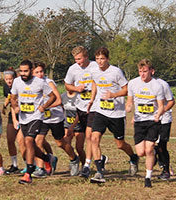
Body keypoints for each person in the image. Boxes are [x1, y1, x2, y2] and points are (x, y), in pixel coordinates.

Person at [86, 48, 138, 183]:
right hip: (101, 111)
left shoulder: (116, 72)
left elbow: (127, 89)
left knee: (120, 144)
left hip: (117, 113)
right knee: (94, 138)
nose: (99, 62)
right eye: (97, 59)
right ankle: (99, 171)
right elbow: (94, 83)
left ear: (107, 59)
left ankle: (133, 157)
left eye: (102, 59)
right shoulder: (94, 71)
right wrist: (92, 100)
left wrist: (113, 95)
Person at [64, 46, 115, 178]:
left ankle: (87, 165)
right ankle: (100, 158)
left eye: (80, 59)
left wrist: (94, 97)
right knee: (83, 141)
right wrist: (76, 88)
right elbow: (67, 85)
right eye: (76, 59)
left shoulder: (94, 66)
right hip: (80, 107)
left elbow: (98, 82)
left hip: (94, 107)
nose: (78, 62)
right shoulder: (72, 69)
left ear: (86, 57)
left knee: (90, 136)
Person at [11, 60, 56, 184]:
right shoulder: (16, 82)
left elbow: (53, 96)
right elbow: (13, 98)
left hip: (36, 117)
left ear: (31, 70)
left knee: (29, 140)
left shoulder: (40, 83)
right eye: (21, 71)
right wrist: (15, 106)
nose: (23, 73)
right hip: (23, 117)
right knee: (29, 144)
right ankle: (47, 158)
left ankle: (28, 173)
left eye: (26, 71)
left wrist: (44, 106)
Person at [125, 59, 166, 187]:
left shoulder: (157, 86)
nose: (142, 74)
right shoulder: (133, 83)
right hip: (139, 121)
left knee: (148, 149)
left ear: (151, 71)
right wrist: (129, 107)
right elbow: (130, 101)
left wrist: (158, 114)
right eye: (140, 71)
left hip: (152, 121)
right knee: (140, 152)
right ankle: (155, 155)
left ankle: (148, 177)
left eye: (145, 71)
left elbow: (161, 105)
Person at [32, 62, 71, 178]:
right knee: (38, 141)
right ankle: (40, 168)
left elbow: (59, 101)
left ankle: (73, 158)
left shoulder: (49, 83)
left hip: (55, 117)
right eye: (37, 72)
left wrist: (45, 107)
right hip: (42, 118)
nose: (40, 74)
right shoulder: (31, 84)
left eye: (41, 71)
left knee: (60, 143)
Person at [154, 74, 174, 180]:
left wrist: (162, 111)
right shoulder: (141, 83)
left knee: (162, 145)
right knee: (149, 145)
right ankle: (158, 160)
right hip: (149, 119)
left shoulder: (162, 84)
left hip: (164, 119)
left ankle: (166, 170)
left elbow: (171, 101)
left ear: (152, 71)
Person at [2, 69, 22, 174]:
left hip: (23, 115)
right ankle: (14, 165)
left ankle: (30, 164)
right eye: (6, 79)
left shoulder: (20, 86)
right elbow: (9, 99)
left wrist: (15, 119)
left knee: (22, 142)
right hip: (13, 113)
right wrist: (4, 106)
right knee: (10, 139)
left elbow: (15, 103)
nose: (9, 81)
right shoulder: (6, 87)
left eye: (11, 79)